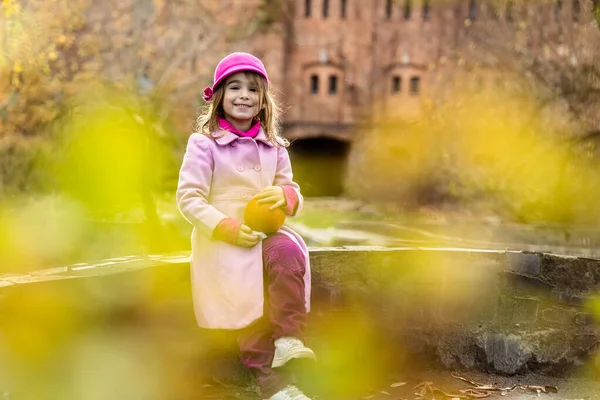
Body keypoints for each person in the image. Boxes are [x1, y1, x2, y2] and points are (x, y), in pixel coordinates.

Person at [176, 52, 316, 400]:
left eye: (252, 90)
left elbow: (290, 187)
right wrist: (225, 228)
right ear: (219, 95)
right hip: (223, 239)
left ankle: (288, 338)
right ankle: (274, 387)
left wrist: (285, 196)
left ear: (262, 100)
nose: (243, 95)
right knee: (245, 301)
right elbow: (188, 198)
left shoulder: (274, 147)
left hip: (264, 233)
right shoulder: (204, 144)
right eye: (234, 87)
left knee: (287, 251)